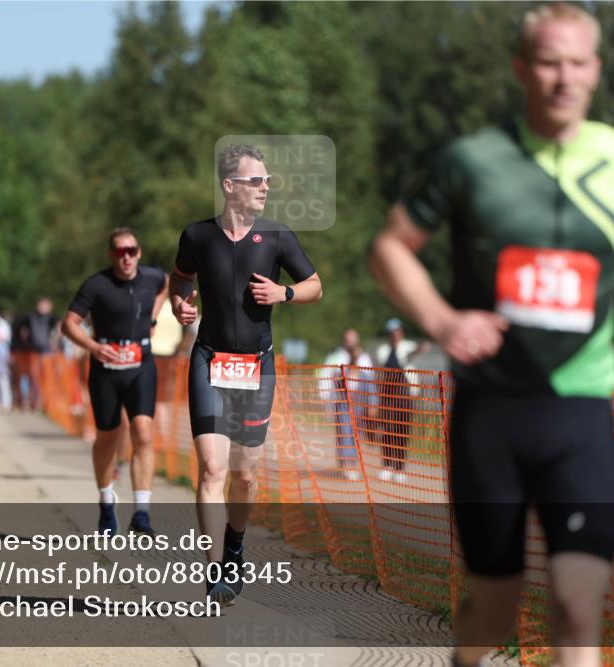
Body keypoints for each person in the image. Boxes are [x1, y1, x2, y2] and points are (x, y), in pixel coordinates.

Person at [368, 4, 614, 666]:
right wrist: (442, 319)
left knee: (577, 607)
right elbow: (389, 247)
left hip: (580, 412)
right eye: (549, 63)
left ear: (597, 70)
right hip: (490, 414)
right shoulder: (472, 161)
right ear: (521, 69)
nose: (564, 78)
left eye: (578, 63)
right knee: (494, 608)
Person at [170, 143, 322, 604]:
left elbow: (315, 286)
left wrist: (284, 293)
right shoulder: (198, 236)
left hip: (257, 367)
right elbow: (180, 276)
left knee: (245, 476)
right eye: (256, 180)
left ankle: (235, 544)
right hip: (209, 362)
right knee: (212, 468)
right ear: (229, 186)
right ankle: (215, 570)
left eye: (267, 180)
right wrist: (179, 302)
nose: (265, 187)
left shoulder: (277, 236)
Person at [62, 227, 169, 537]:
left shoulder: (151, 277)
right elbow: (69, 324)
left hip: (141, 365)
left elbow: (166, 284)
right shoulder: (97, 284)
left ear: (139, 253)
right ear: (111, 254)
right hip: (106, 368)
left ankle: (142, 513)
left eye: (132, 251)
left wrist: (152, 317)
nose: (127, 258)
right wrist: (93, 347)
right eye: (121, 252)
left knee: (143, 433)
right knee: (108, 437)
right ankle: (107, 502)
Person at [374, 318, 430, 483]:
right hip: (388, 395)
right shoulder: (383, 349)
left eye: (397, 331)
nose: (395, 334)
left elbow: (416, 352)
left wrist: (418, 349)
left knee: (402, 431)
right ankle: (387, 465)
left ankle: (399, 467)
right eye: (392, 332)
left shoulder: (409, 345)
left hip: (406, 395)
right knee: (387, 430)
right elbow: (390, 364)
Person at [320, 329, 376, 481]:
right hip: (343, 404)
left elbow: (370, 384)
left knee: (355, 436)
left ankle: (352, 463)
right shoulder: (337, 359)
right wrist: (327, 403)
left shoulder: (364, 361)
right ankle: (345, 464)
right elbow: (330, 382)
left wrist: (372, 404)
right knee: (344, 434)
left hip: (359, 405)